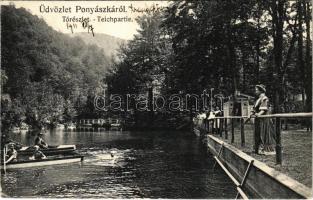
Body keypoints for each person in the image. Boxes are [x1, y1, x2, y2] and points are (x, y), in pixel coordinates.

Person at [252, 84, 276, 155]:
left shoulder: (264, 98)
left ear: (260, 91)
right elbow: (254, 108)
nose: (255, 91)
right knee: (258, 133)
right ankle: (258, 148)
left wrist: (258, 114)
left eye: (256, 90)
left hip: (264, 119)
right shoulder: (258, 99)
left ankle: (266, 149)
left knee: (264, 133)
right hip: (258, 119)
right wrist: (252, 113)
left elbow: (264, 109)